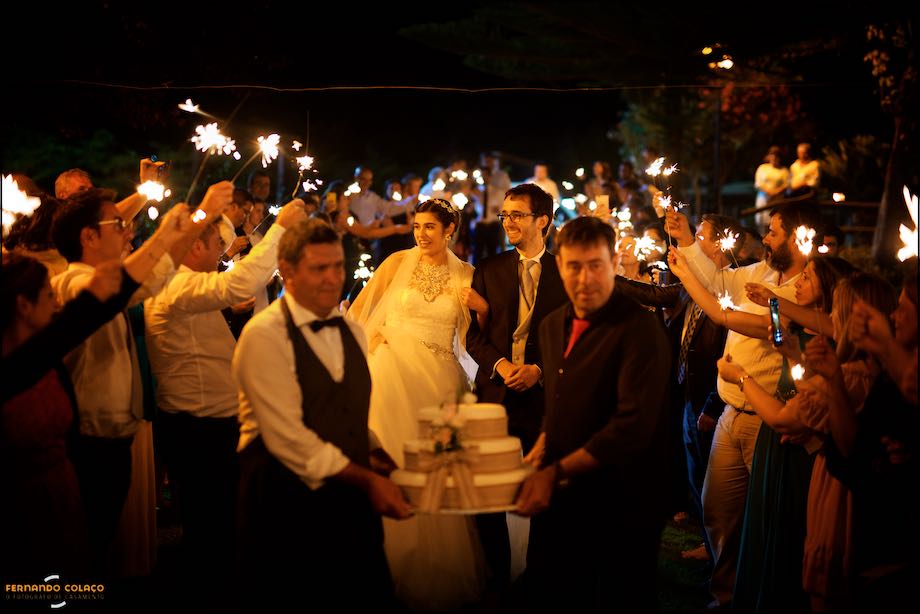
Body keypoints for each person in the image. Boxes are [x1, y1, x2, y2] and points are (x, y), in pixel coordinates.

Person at [0, 204, 194, 579]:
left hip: (65, 488)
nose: (54, 302)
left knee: (83, 562)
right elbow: (81, 317)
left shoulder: (42, 358)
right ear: (23, 305)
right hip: (28, 502)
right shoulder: (22, 364)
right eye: (46, 296)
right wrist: (164, 236)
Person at [50, 183, 232, 573]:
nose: (128, 230)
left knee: (100, 544)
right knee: (82, 550)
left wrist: (197, 219)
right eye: (118, 223)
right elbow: (133, 285)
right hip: (87, 444)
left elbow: (155, 277)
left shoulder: (107, 279)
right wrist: (191, 218)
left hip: (113, 442)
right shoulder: (73, 282)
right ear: (89, 236)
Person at [232, 218, 411, 610]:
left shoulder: (353, 330)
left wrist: (376, 452)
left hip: (349, 506)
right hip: (284, 506)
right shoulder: (264, 335)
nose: (333, 279)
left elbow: (343, 408)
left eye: (338, 267)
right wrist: (368, 480)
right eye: (319, 269)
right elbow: (287, 439)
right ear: (288, 271)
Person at [664, 200, 821, 611]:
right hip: (731, 414)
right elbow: (718, 282)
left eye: (773, 231)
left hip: (767, 421)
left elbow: (722, 313)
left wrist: (684, 273)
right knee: (718, 512)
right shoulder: (761, 272)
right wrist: (684, 243)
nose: (765, 238)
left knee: (767, 519)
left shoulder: (804, 292)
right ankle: (725, 594)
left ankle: (761, 596)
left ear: (797, 236)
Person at [143, 198, 307, 593]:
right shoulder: (176, 282)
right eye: (218, 247)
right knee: (211, 526)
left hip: (208, 420)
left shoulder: (182, 282)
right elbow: (239, 281)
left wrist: (231, 314)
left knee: (222, 522)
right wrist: (281, 227)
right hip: (197, 426)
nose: (222, 255)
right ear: (196, 246)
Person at [514, 216, 671, 612]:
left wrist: (556, 471)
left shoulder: (640, 330)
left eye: (595, 266)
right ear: (560, 267)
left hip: (622, 500)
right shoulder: (552, 326)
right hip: (562, 499)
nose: (584, 279)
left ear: (615, 261)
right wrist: (538, 456)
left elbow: (630, 428)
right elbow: (560, 401)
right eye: (574, 267)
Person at [346, 198, 490, 611]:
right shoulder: (394, 263)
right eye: (417, 226)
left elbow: (474, 336)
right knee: (389, 455)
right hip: (391, 372)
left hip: (439, 381)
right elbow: (362, 314)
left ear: (449, 230)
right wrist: (372, 346)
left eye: (430, 227)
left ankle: (434, 564)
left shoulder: (467, 274)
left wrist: (483, 311)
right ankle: (379, 557)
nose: (421, 234)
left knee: (434, 470)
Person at [466, 183, 568, 589]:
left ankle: (541, 579)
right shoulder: (488, 269)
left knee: (547, 489)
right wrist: (502, 364)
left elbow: (574, 335)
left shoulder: (565, 273)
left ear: (542, 220)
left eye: (517, 215)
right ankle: (496, 574)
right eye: (505, 215)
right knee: (490, 492)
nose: (507, 221)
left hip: (546, 399)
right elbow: (473, 337)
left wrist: (540, 369)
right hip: (496, 394)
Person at [754, 146, 791, 234]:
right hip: (763, 199)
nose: (774, 158)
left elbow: (787, 185)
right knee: (762, 224)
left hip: (776, 200)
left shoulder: (784, 171)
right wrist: (768, 191)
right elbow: (758, 184)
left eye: (776, 157)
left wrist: (776, 192)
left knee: (774, 223)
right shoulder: (762, 168)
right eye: (772, 156)